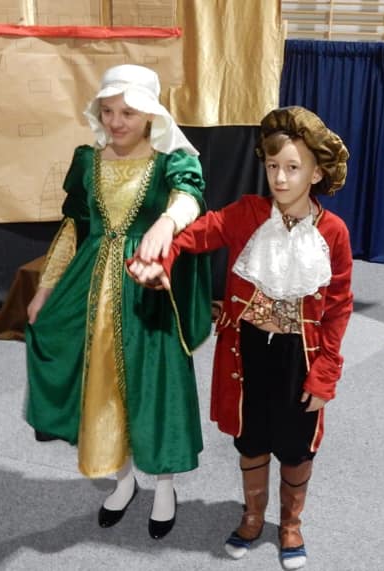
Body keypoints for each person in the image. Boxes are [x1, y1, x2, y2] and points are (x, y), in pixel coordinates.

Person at [128, 106, 353, 569]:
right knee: (251, 439)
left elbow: (338, 306)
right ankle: (252, 517)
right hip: (246, 352)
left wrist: (326, 373)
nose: (280, 178)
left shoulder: (333, 232)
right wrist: (159, 258)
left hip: (301, 357)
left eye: (293, 167)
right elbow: (194, 236)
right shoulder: (247, 213)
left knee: (296, 445)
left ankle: (290, 524)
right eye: (273, 166)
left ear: (316, 173)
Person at [25, 64, 212, 540]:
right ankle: (123, 479)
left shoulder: (170, 162)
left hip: (145, 290)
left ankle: (165, 487)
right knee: (103, 384)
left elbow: (189, 198)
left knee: (155, 384)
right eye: (108, 111)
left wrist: (166, 223)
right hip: (90, 290)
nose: (115, 121)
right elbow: (73, 228)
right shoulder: (87, 161)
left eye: (127, 112)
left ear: (150, 115)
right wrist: (45, 289)